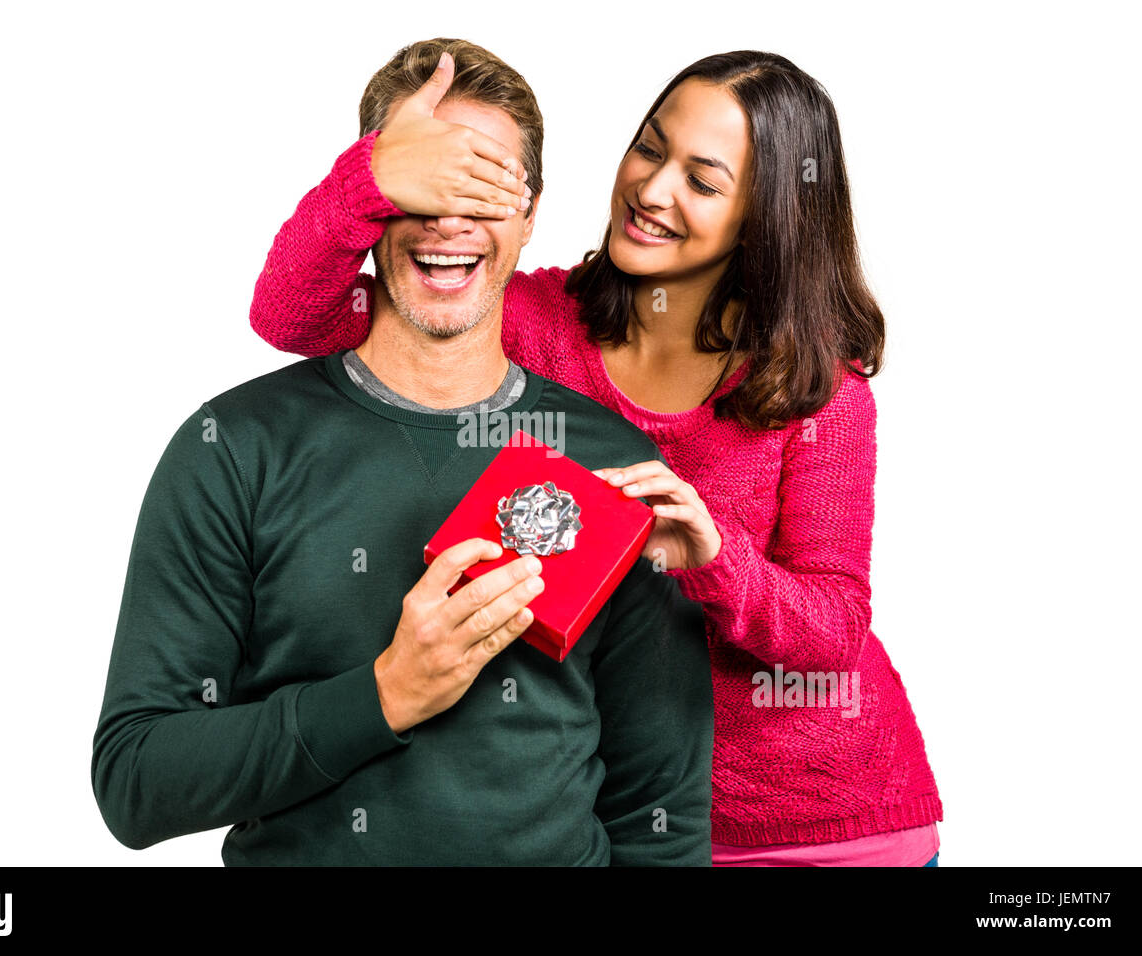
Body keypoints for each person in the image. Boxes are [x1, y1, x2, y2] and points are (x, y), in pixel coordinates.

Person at [247, 42, 944, 866]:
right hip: (615, 819)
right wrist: (371, 176)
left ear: (766, 217)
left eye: (703, 179)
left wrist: (716, 559)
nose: (651, 190)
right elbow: (295, 316)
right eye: (650, 148)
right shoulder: (531, 323)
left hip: (822, 824)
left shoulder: (818, 392)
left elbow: (834, 629)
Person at [91, 37, 714, 866]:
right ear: (371, 199)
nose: (450, 219)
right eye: (423, 182)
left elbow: (659, 813)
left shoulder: (611, 464)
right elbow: (137, 783)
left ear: (530, 217)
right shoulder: (232, 450)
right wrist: (385, 695)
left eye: (486, 186)